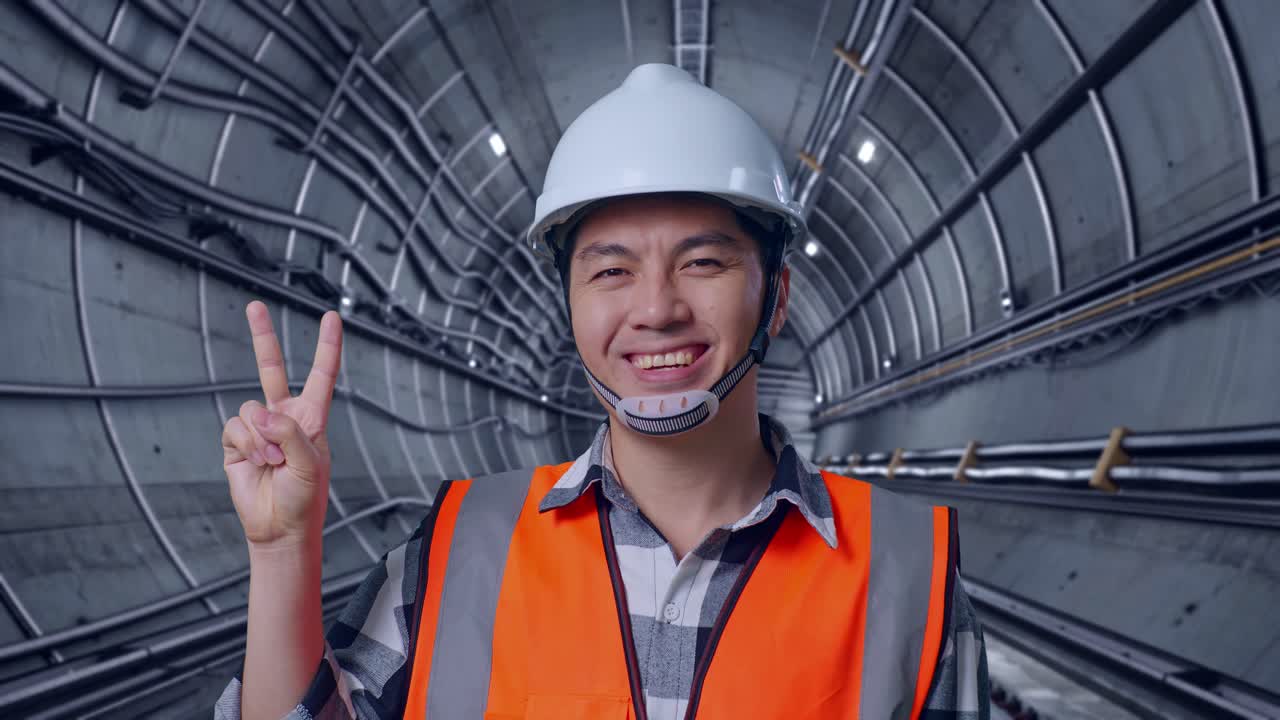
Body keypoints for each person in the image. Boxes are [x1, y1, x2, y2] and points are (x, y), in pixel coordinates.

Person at [216, 63, 988, 720]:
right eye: (612, 271)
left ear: (777, 297)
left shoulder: (906, 570)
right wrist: (284, 553)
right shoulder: (457, 548)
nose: (656, 309)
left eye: (704, 263)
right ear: (571, 306)